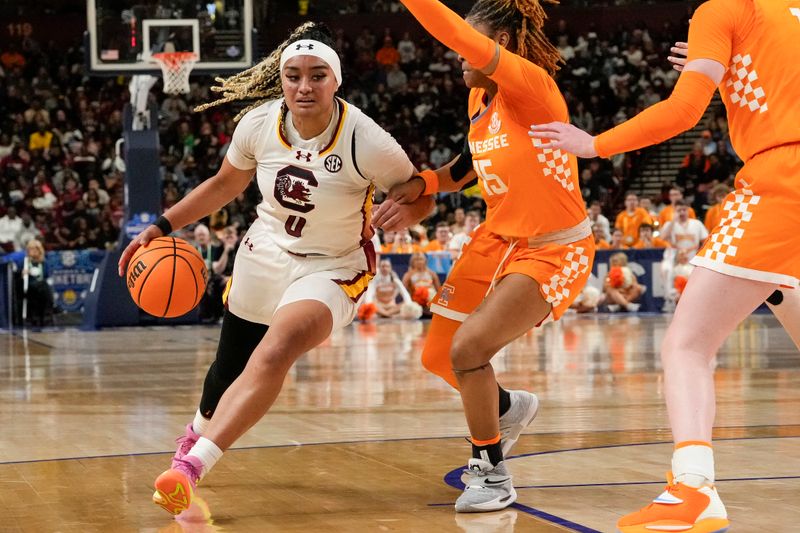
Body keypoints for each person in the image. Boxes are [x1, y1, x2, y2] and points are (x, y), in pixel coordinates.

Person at [117, 22, 434, 515]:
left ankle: (190, 467)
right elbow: (224, 185)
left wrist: (406, 211)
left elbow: (418, 194)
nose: (304, 86)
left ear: (336, 81)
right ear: (281, 80)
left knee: (276, 349)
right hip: (263, 250)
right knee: (227, 370)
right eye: (293, 75)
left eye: (317, 75)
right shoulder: (258, 124)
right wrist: (161, 225)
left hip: (330, 265)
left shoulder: (368, 140)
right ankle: (194, 434)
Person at [529, 1, 800, 529]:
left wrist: (596, 144)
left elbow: (683, 111)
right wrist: (724, 62)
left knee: (687, 344)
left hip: (782, 181)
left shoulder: (726, 8)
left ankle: (694, 487)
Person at [384, 0, 595, 513]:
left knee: (468, 350)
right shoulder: (479, 96)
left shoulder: (532, 86)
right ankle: (507, 407)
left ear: (499, 42)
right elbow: (466, 166)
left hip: (554, 247)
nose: (457, 56)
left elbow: (447, 26)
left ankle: (491, 472)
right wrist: (424, 186)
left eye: (466, 46)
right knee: (440, 356)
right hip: (497, 241)